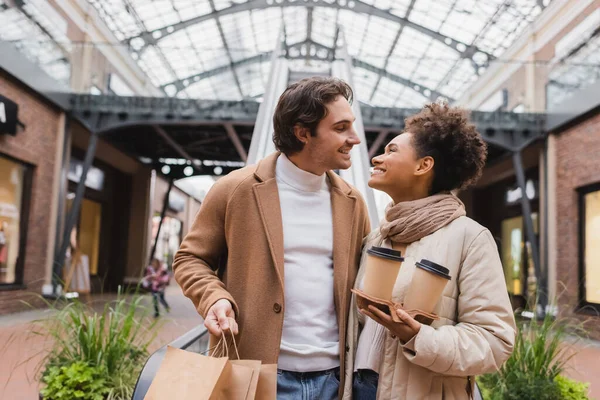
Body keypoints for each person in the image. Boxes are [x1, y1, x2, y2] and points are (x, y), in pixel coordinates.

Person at [173, 77, 371, 399]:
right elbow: (190, 259)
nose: (355, 138)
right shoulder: (235, 189)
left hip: (335, 380)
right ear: (303, 132)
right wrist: (214, 297)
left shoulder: (353, 202)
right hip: (255, 373)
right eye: (341, 128)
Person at [343, 102, 516, 399]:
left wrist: (417, 337)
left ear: (424, 166)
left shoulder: (470, 237)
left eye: (392, 151)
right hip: (361, 388)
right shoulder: (376, 237)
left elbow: (495, 341)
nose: (377, 158)